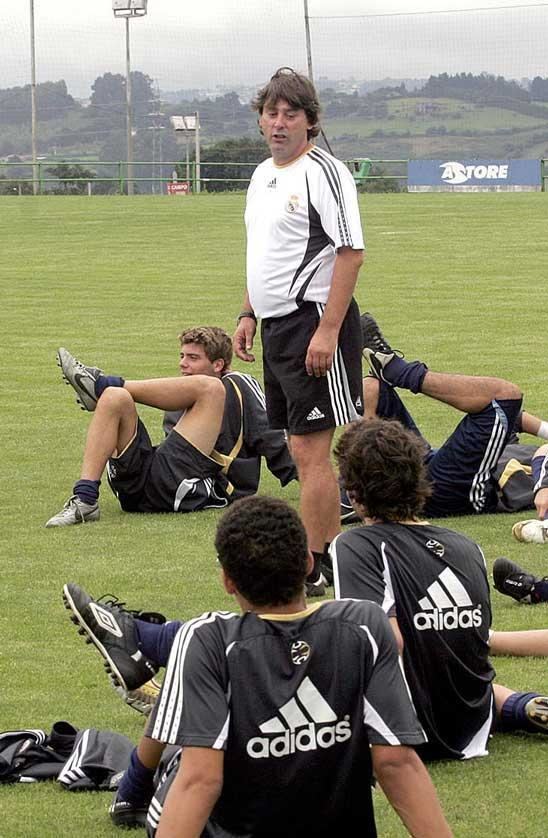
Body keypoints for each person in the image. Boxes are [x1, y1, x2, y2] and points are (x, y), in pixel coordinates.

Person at [62, 496, 452, 837]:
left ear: (228, 581)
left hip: (220, 810)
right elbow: (396, 762)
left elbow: (200, 780)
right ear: (306, 564)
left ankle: (130, 788)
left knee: (184, 742)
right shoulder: (365, 625)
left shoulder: (206, 638)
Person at [332, 417, 548, 761]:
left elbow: (383, 643)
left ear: (353, 491)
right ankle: (518, 707)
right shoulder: (466, 545)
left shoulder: (356, 545)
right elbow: (474, 640)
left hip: (410, 731)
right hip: (474, 719)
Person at [232, 67, 365, 590]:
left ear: (311, 122)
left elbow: (351, 254)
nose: (280, 122)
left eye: (292, 114)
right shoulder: (263, 173)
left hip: (312, 322)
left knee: (313, 450)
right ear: (261, 119)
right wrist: (247, 311)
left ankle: (322, 561)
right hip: (276, 328)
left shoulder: (325, 172)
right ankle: (326, 556)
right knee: (298, 445)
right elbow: (262, 254)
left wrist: (328, 331)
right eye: (272, 113)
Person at [46, 327, 296, 528]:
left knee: (210, 388)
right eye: (182, 356)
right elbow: (173, 451)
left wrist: (308, 475)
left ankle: (99, 385)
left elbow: (271, 434)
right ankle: (85, 499)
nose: (183, 364)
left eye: (193, 358)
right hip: (140, 489)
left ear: (218, 365)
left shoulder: (236, 383)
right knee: (114, 397)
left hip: (190, 486)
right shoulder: (180, 392)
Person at [355, 314, 548, 525]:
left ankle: (398, 371)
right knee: (371, 389)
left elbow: (543, 451)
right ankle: (361, 496)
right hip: (431, 467)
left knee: (504, 395)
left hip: (470, 491)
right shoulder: (496, 444)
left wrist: (543, 487)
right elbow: (514, 420)